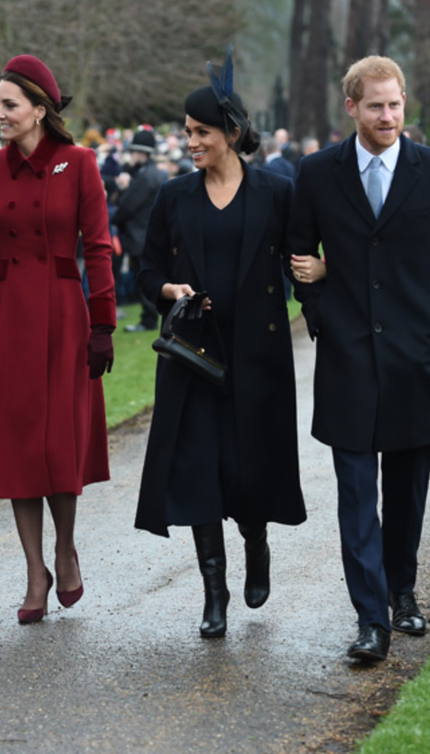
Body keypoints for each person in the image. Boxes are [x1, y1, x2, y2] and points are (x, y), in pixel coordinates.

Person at [288, 56, 430, 663]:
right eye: (375, 106)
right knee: (353, 493)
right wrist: (322, 316)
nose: (387, 116)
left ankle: (402, 591)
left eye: (395, 105)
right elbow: (298, 256)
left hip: (412, 358)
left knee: (406, 491)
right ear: (352, 107)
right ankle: (370, 618)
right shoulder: (317, 173)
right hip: (346, 358)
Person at [134, 48, 308, 639]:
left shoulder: (276, 194)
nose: (190, 142)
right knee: (198, 471)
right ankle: (215, 593)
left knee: (248, 469)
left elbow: (299, 259)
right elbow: (145, 269)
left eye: (201, 132)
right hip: (194, 357)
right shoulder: (173, 196)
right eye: (186, 132)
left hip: (257, 358)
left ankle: (255, 544)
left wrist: (320, 281)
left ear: (232, 133)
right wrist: (167, 288)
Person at [0, 54, 115, 624]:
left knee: (58, 444)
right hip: (14, 315)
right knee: (21, 444)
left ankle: (65, 551)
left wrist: (104, 325)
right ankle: (33, 572)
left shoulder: (81, 162)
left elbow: (97, 247)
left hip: (68, 317)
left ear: (39, 110)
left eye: (8, 104)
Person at [113, 129, 168, 333]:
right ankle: (150, 318)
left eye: (134, 152)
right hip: (145, 234)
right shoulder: (152, 174)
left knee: (144, 280)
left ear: (142, 153)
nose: (131, 156)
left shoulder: (146, 176)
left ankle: (149, 320)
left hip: (140, 236)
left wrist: (113, 217)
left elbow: (127, 206)